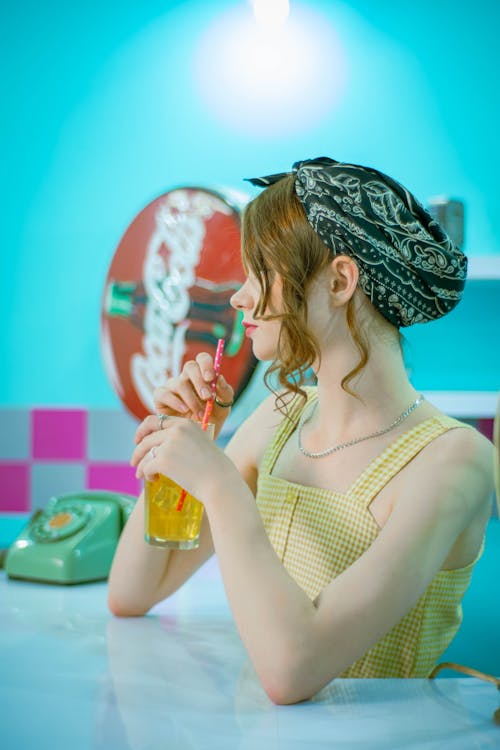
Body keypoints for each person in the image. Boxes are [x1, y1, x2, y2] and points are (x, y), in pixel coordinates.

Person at [108, 157, 494, 705]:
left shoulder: (456, 463)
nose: (239, 297)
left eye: (258, 272)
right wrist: (182, 448)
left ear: (340, 280)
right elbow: (131, 592)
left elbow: (293, 671)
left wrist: (219, 485)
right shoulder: (278, 418)